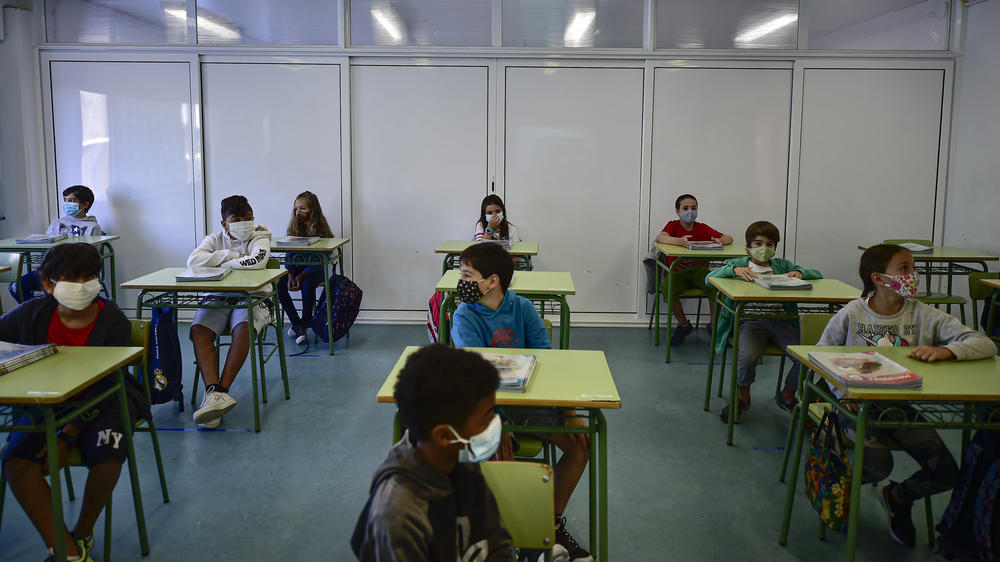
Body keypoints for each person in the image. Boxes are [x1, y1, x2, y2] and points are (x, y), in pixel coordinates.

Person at [818, 243, 996, 547]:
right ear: (878, 278)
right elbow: (820, 356)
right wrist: (841, 391)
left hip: (899, 407)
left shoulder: (925, 315)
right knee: (876, 463)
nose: (913, 275)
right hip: (854, 407)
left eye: (913, 268)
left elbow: (985, 344)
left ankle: (898, 497)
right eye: (904, 269)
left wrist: (946, 350)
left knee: (947, 474)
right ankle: (834, 486)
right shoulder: (852, 313)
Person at [1, 243, 147, 562]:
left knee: (107, 457)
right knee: (17, 463)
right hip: (45, 404)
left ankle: (83, 531)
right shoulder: (32, 315)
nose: (81, 286)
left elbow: (110, 381)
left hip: (105, 402)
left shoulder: (113, 321)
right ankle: (68, 551)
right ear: (48, 284)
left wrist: (66, 435)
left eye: (88, 277)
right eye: (70, 278)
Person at [450, 242, 592, 562]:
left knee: (582, 442)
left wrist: (567, 408)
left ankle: (548, 527)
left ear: (492, 281)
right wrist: (496, 420)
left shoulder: (522, 308)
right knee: (498, 450)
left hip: (530, 400)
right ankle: (519, 542)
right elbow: (474, 376)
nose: (462, 281)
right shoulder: (464, 315)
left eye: (468, 275)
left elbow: (546, 361)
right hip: (487, 406)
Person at [351, 344, 514, 562]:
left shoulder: (460, 462)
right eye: (486, 417)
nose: (495, 424)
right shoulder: (399, 514)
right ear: (444, 436)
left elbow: (498, 546)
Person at [705, 220, 823, 421]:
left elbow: (817, 274)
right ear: (748, 247)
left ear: (775, 248)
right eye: (758, 244)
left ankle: (787, 395)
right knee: (748, 357)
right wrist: (733, 271)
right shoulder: (740, 265)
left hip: (781, 320)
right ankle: (743, 397)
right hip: (751, 321)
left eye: (769, 245)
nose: (764, 249)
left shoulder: (782, 265)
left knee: (806, 358)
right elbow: (709, 279)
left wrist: (800, 273)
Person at [187, 195, 272, 429]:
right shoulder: (214, 239)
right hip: (219, 296)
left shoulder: (260, 236)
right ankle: (214, 393)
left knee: (243, 327)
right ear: (224, 223)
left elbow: (257, 262)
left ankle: (220, 391)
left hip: (252, 297)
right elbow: (194, 262)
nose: (245, 223)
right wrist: (233, 256)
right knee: (199, 329)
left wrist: (216, 263)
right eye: (237, 219)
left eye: (249, 218)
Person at [655, 194, 733, 345]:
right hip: (676, 271)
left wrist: (720, 240)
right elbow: (661, 238)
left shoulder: (702, 228)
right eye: (685, 208)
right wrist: (678, 241)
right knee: (668, 290)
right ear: (678, 211)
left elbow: (729, 238)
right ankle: (684, 325)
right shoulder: (673, 225)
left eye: (693, 208)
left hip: (698, 270)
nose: (690, 211)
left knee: (715, 287)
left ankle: (713, 325)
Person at [277, 190, 334, 345]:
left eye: (303, 208)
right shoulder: (293, 228)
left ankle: (306, 320)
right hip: (295, 270)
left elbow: (320, 257)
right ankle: (297, 324)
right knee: (278, 283)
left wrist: (301, 276)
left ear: (312, 209)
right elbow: (289, 254)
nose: (298, 212)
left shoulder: (323, 230)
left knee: (307, 285)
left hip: (316, 270)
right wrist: (290, 274)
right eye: (296, 208)